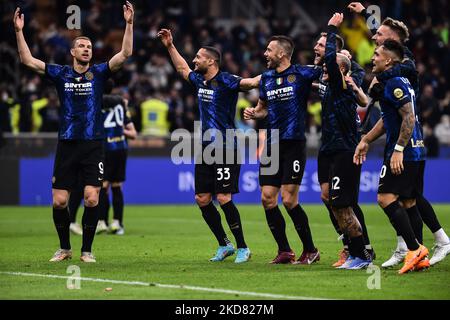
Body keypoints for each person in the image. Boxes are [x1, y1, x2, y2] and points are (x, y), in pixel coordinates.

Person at [13, 2, 134, 263]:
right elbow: (27, 60)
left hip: (93, 144)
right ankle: (65, 247)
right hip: (67, 144)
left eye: (89, 46)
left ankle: (87, 250)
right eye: (82, 46)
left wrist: (129, 24)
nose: (87, 49)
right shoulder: (61, 74)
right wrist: (19, 31)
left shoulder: (99, 73)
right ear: (72, 51)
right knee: (59, 202)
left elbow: (125, 53)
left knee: (92, 198)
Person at [349, 1, 450, 267]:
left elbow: (404, 110)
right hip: (405, 137)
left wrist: (381, 78)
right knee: (407, 199)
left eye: (379, 37)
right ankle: (411, 249)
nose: (374, 39)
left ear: (391, 47)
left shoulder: (401, 68)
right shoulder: (391, 65)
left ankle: (422, 246)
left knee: (400, 197)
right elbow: (387, 115)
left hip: (405, 141)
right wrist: (363, 12)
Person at [158, 28, 260, 263]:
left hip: (227, 147)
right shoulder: (199, 80)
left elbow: (251, 82)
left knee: (223, 197)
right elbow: (182, 68)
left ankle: (243, 247)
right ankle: (225, 245)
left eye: (198, 57)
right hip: (205, 148)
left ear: (211, 61)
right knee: (202, 198)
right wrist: (170, 46)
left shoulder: (226, 80)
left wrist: (277, 73)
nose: (194, 60)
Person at [354, 40, 429, 274]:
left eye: (377, 54)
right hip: (415, 149)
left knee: (385, 197)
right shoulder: (397, 81)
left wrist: (397, 149)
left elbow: (409, 117)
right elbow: (389, 120)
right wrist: (366, 139)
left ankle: (414, 249)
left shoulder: (394, 82)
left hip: (403, 152)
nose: (372, 57)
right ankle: (421, 257)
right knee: (408, 202)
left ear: (388, 60)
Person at [244, 35, 320, 265]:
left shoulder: (302, 74)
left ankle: (310, 250)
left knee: (288, 199)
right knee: (268, 198)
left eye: (269, 50)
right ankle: (285, 250)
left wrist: (340, 56)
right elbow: (263, 109)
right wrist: (254, 113)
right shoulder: (267, 78)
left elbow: (329, 70)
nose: (265, 54)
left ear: (282, 54)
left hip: (294, 143)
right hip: (272, 143)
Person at [313, 25, 375, 267]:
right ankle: (352, 249)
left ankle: (361, 253)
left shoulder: (342, 82)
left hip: (344, 148)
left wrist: (331, 30)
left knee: (343, 203)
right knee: (329, 198)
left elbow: (355, 84)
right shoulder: (327, 77)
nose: (317, 50)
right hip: (328, 146)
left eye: (322, 46)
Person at [97, 79, 137, 235]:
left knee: (103, 186)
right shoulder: (121, 103)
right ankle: (117, 223)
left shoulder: (97, 102)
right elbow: (133, 133)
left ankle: (101, 222)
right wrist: (121, 131)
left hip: (105, 148)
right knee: (116, 186)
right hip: (120, 147)